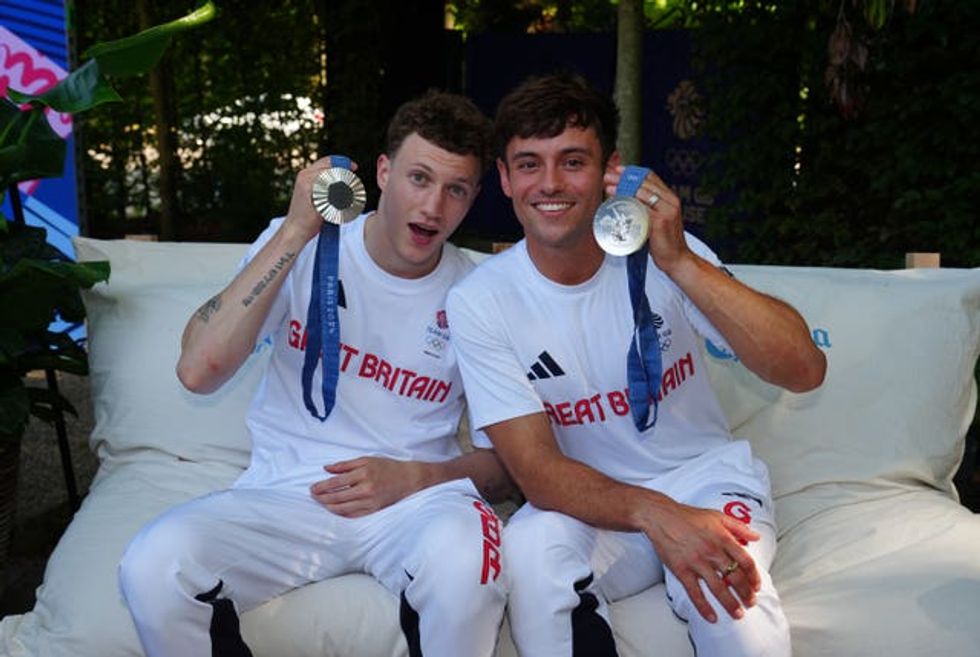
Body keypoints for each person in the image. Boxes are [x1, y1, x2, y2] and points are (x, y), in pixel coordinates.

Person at [118, 91, 512, 657]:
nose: (432, 207)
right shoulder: (301, 244)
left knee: (469, 565)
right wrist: (296, 230)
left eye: (455, 190)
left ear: (474, 197)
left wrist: (414, 478)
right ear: (382, 172)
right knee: (154, 565)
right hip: (287, 494)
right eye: (419, 178)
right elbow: (198, 370)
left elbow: (509, 467)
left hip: (416, 504)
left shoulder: (480, 291)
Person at [446, 73, 827, 657]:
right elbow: (539, 475)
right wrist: (659, 516)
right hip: (592, 505)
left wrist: (680, 263)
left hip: (704, 483)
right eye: (529, 164)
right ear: (503, 177)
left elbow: (803, 369)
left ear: (611, 170)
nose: (549, 183)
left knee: (726, 595)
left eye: (572, 161)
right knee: (527, 557)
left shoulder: (670, 252)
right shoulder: (482, 299)